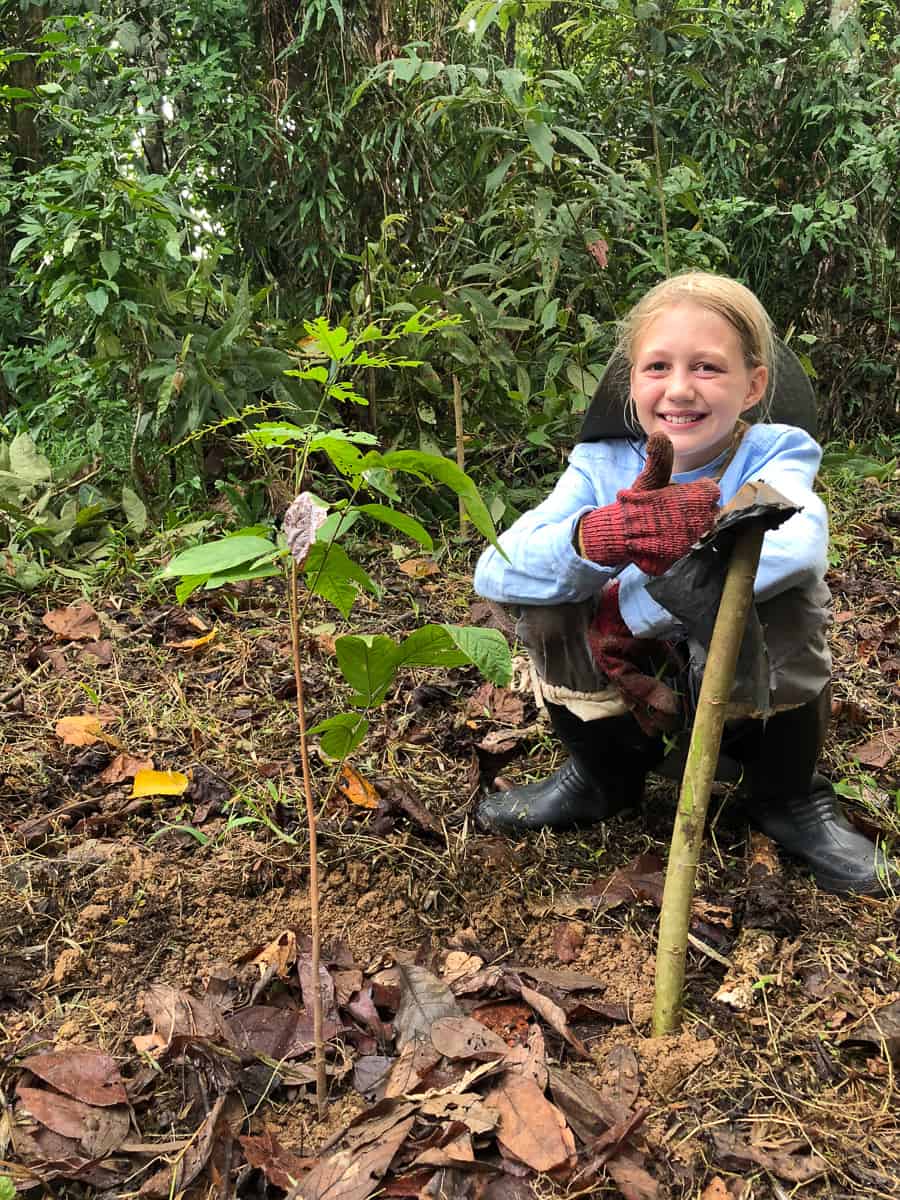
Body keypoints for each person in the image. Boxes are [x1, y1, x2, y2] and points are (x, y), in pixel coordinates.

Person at [473, 271, 897, 897]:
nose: (679, 389)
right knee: (548, 599)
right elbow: (497, 566)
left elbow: (799, 549)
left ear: (753, 385)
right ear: (631, 382)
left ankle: (786, 794)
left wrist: (638, 602)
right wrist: (596, 538)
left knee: (784, 594)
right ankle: (601, 776)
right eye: (658, 368)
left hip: (738, 692)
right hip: (628, 694)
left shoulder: (776, 450)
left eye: (706, 368)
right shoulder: (601, 461)